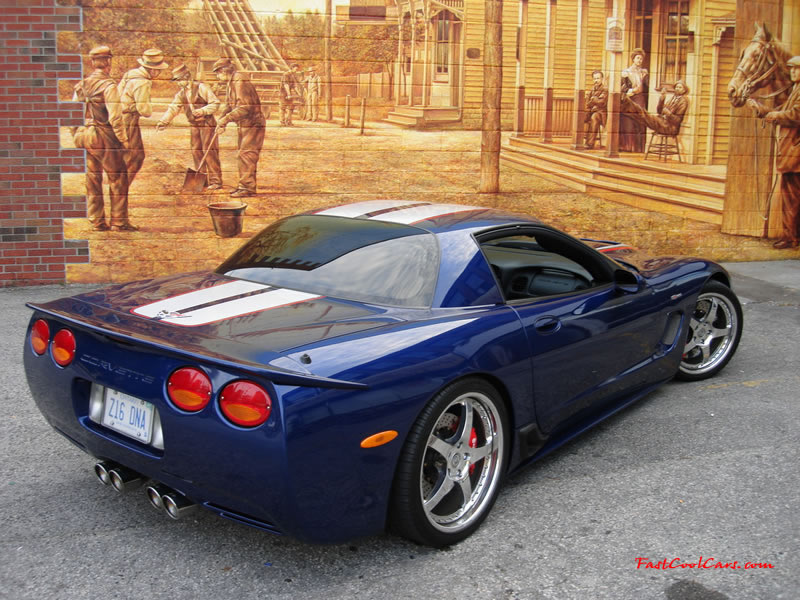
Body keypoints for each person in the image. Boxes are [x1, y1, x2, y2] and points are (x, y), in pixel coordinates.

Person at [72, 45, 132, 232]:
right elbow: (115, 117)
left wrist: (76, 133)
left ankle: (96, 221)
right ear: (108, 63)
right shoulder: (108, 85)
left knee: (92, 178)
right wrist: (124, 139)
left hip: (84, 135)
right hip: (103, 136)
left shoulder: (81, 85)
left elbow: (71, 113)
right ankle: (119, 222)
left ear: (92, 63)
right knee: (118, 177)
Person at [748, 55, 800, 249]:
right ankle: (791, 235)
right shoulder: (796, 89)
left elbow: (796, 115)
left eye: (796, 69)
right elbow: (782, 111)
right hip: (791, 154)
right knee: (791, 197)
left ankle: (790, 237)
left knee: (792, 198)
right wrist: (762, 110)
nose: (793, 72)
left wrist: (774, 115)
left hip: (795, 154)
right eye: (791, 69)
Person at [156, 64, 223, 191]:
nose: (178, 83)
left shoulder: (202, 87)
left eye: (179, 80)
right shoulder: (181, 94)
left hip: (207, 124)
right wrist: (163, 121)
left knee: (209, 152)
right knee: (196, 151)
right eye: (177, 81)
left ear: (186, 77)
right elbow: (173, 108)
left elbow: (215, 103)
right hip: (194, 125)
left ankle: (216, 181)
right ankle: (203, 180)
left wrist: (203, 111)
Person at [213, 58, 266, 198]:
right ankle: (245, 185)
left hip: (253, 122)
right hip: (244, 124)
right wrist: (221, 120)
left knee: (246, 154)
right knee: (243, 154)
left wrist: (226, 119)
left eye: (217, 73)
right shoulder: (231, 82)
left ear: (224, 71)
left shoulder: (239, 81)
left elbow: (245, 107)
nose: (217, 76)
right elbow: (229, 105)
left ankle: (247, 187)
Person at [118, 48, 169, 191]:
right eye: (158, 70)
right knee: (136, 156)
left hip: (118, 116)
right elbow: (145, 111)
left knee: (125, 154)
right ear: (152, 70)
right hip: (128, 119)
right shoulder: (143, 82)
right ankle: (121, 189)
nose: (159, 73)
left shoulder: (130, 74)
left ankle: (119, 187)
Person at [620, 48, 649, 152]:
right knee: (629, 121)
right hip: (629, 99)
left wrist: (643, 81)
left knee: (640, 120)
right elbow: (623, 88)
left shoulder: (644, 72)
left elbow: (646, 88)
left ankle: (638, 148)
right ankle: (628, 147)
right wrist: (633, 90)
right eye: (637, 58)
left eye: (641, 59)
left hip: (640, 99)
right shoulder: (626, 72)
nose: (639, 60)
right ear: (633, 59)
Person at [584, 70, 608, 149]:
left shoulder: (605, 89)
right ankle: (580, 141)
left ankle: (590, 143)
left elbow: (602, 102)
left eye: (598, 78)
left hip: (601, 113)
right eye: (594, 79)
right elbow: (588, 103)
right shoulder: (592, 89)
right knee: (580, 116)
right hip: (592, 111)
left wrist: (594, 100)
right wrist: (594, 101)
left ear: (602, 79)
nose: (596, 80)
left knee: (594, 117)